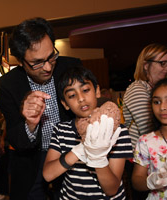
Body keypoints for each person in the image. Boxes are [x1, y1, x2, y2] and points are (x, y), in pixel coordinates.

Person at [0, 17, 82, 200]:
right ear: (20, 61)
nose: (48, 67)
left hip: (72, 154)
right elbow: (15, 137)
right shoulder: (7, 85)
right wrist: (30, 124)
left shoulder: (71, 66)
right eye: (37, 62)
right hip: (32, 162)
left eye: (51, 57)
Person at [43, 65, 133, 199]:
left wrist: (98, 158)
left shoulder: (117, 131)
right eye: (72, 95)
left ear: (97, 91)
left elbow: (111, 189)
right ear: (65, 104)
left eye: (85, 90)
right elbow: (48, 174)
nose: (81, 98)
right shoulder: (61, 130)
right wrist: (81, 149)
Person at [123, 43, 167, 199]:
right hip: (141, 160)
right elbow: (146, 126)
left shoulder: (155, 89)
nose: (166, 67)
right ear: (146, 65)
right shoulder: (138, 88)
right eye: (162, 63)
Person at [132, 78, 167, 199]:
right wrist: (152, 181)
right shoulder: (146, 141)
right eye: (157, 102)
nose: (162, 107)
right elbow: (136, 181)